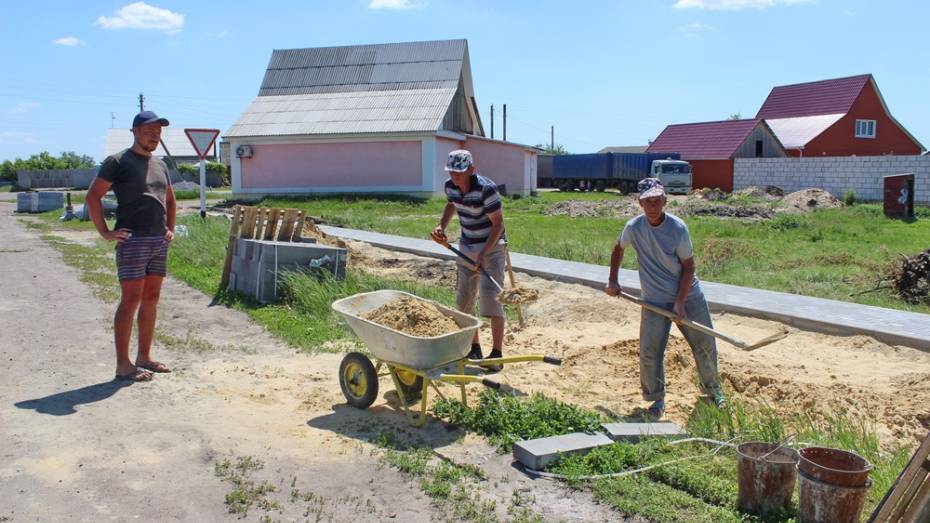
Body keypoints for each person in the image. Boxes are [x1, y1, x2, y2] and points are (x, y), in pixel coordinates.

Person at [604, 178, 724, 419]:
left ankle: (713, 393)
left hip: (688, 295)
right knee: (650, 351)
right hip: (654, 301)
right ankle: (655, 401)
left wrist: (680, 303)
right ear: (640, 202)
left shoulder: (677, 229)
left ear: (665, 201)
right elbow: (618, 248)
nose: (653, 204)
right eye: (648, 200)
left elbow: (689, 268)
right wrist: (613, 280)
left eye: (658, 199)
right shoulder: (634, 227)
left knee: (705, 345)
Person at [86, 110, 176, 382]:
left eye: (158, 133)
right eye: (149, 131)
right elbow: (93, 196)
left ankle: (144, 357)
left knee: (151, 299)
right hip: (133, 240)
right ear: (135, 131)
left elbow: (170, 200)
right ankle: (123, 365)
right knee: (131, 300)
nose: (154, 136)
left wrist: (169, 228)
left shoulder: (160, 164)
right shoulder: (118, 162)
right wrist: (105, 232)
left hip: (158, 241)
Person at [431, 150, 507, 371]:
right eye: (452, 171)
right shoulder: (450, 186)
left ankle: (497, 353)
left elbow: (498, 225)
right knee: (464, 300)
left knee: (492, 299)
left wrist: (482, 255)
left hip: (491, 248)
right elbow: (451, 204)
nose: (455, 176)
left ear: (472, 170)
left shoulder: (487, 189)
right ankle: (474, 347)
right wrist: (441, 226)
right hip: (466, 247)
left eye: (459, 172)